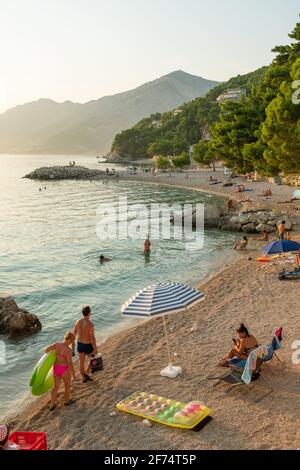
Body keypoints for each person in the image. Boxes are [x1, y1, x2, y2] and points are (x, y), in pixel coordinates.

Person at [44, 331, 76, 411]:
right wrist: (73, 374)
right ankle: (67, 401)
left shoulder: (57, 344)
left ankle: (52, 405)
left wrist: (53, 353)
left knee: (56, 387)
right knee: (67, 386)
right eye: (72, 340)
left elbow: (46, 350)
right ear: (70, 340)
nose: (72, 342)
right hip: (64, 369)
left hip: (56, 368)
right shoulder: (68, 350)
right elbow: (69, 363)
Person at [74, 306, 97, 383]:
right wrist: (95, 348)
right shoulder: (90, 324)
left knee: (81, 363)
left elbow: (74, 334)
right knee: (94, 359)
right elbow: (92, 337)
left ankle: (84, 377)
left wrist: (72, 345)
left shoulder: (78, 321)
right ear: (89, 313)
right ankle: (86, 373)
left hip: (79, 344)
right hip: (87, 345)